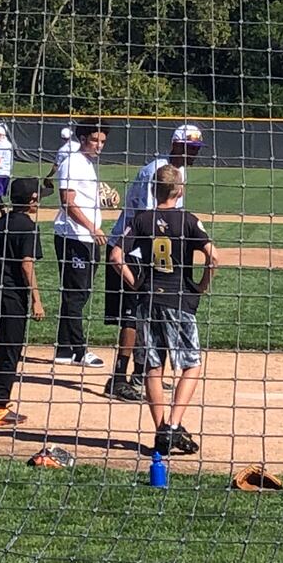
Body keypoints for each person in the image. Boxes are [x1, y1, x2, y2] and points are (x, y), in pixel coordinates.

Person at [110, 165, 218, 458]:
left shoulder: (142, 219)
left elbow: (116, 256)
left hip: (148, 302)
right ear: (179, 190)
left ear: (153, 189)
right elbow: (213, 256)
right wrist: (201, 286)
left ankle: (161, 432)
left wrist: (136, 284)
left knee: (152, 368)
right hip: (179, 300)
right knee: (191, 364)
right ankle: (173, 424)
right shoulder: (188, 220)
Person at [105, 123, 204, 400]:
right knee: (134, 315)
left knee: (152, 314)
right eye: (190, 148)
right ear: (175, 145)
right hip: (131, 251)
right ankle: (119, 377)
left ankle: (142, 374)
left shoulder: (177, 171)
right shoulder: (156, 171)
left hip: (148, 251)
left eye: (196, 149)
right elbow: (149, 221)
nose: (194, 154)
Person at [0, 176, 45, 427]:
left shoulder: (2, 222)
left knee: (4, 345)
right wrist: (36, 300)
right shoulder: (28, 226)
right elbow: (27, 265)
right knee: (10, 348)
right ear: (32, 200)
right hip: (10, 294)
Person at [51, 121, 108, 368]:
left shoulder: (86, 163)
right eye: (95, 140)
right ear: (82, 138)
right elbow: (67, 201)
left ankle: (64, 350)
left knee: (78, 294)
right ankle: (79, 350)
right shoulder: (72, 162)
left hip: (83, 237)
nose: (99, 146)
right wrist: (92, 227)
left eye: (103, 141)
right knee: (76, 295)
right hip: (74, 237)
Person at [42, 125, 76, 196]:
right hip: (78, 172)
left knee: (66, 194)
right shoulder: (78, 146)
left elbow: (56, 166)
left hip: (67, 174)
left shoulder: (62, 150)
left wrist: (49, 175)